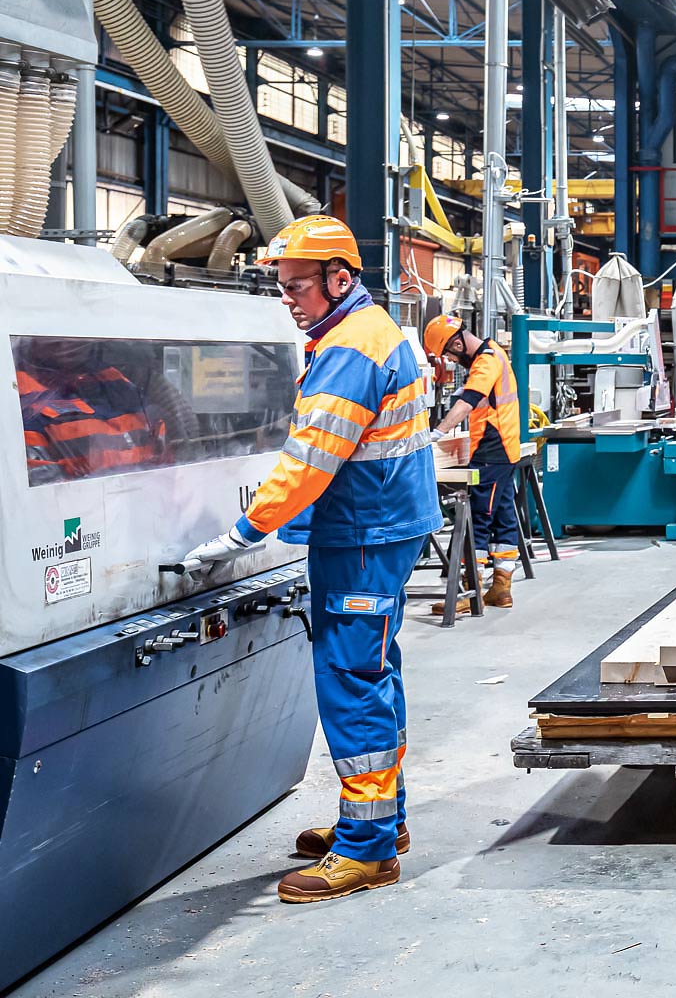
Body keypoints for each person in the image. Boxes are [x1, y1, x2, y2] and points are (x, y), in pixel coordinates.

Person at [180, 215, 439, 905]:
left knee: (352, 682)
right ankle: (380, 821)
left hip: (363, 535)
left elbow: (309, 461)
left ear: (339, 279)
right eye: (283, 286)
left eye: (297, 286)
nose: (288, 299)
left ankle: (367, 852)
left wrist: (241, 532)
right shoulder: (364, 330)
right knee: (374, 674)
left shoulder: (352, 347)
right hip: (374, 527)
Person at [422, 313, 522, 611]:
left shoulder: (486, 360)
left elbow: (468, 401)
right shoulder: (494, 353)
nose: (452, 361)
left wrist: (437, 433)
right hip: (504, 450)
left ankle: (469, 591)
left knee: (478, 517)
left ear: (456, 342)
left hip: (493, 451)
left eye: (449, 354)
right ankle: (501, 588)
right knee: (503, 516)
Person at [16, 337, 171, 485]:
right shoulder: (17, 395)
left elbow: (165, 464)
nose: (67, 342)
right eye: (53, 337)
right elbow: (44, 497)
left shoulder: (117, 383)